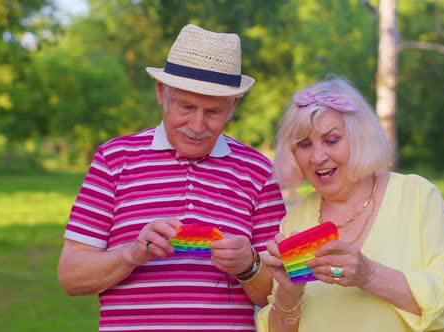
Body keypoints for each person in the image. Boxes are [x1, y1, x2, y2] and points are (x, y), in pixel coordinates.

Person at [57, 24, 286, 332]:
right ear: (161, 93)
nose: (197, 125)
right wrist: (132, 253)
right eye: (186, 107)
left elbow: (284, 296)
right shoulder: (114, 159)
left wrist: (249, 265)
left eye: (213, 112)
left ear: (234, 106)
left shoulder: (258, 171)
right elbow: (71, 276)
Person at [256, 76, 444, 331]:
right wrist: (289, 293)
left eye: (331, 140)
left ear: (360, 138)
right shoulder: (295, 220)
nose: (317, 157)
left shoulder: (417, 195)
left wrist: (369, 276)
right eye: (304, 145)